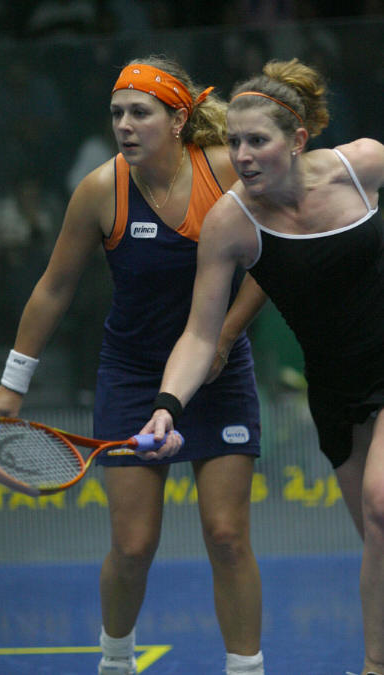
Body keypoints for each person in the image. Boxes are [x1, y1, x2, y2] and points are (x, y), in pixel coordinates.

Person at [0, 56, 266, 675]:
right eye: (117, 113)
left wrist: (224, 338)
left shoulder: (224, 171)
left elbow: (273, 259)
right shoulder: (99, 190)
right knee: (133, 547)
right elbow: (54, 287)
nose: (125, 125)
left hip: (220, 375)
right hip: (133, 375)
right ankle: (115, 662)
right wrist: (12, 383)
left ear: (178, 120)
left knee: (227, 536)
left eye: (141, 112)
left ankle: (247, 668)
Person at [141, 58, 384, 675]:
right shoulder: (231, 221)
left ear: (297, 140)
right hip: (335, 389)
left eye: (257, 141)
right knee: (377, 537)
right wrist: (168, 406)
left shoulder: (363, 165)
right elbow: (200, 335)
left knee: (382, 504)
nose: (242, 156)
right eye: (234, 143)